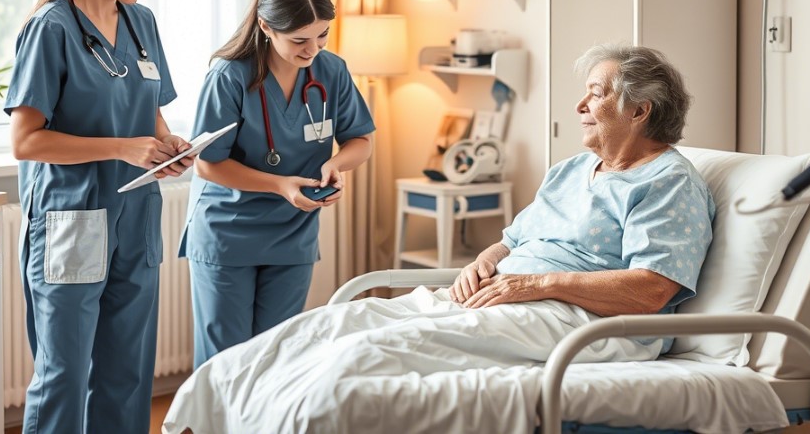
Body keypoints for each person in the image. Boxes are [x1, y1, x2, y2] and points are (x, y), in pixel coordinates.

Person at [163, 43, 715, 434]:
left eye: (595, 94)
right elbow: (514, 236)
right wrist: (487, 260)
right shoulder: (573, 169)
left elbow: (651, 290)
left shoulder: (667, 182)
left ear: (640, 110)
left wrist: (536, 284)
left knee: (372, 350)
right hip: (505, 291)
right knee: (338, 322)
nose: (579, 106)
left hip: (578, 319)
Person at [5, 0, 193, 434]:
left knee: (128, 368)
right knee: (64, 373)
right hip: (74, 220)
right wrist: (121, 147)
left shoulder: (141, 23)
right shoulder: (51, 27)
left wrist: (166, 144)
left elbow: (148, 108)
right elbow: (25, 141)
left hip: (135, 211)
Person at [179, 0, 376, 369]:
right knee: (226, 365)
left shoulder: (331, 71)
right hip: (228, 230)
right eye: (299, 39)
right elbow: (208, 165)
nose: (313, 50)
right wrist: (280, 185)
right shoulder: (230, 76)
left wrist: (336, 165)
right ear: (266, 27)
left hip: (292, 232)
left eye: (323, 35)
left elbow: (361, 142)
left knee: (276, 359)